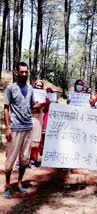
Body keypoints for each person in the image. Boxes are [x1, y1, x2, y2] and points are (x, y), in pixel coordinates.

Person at [3, 62, 45, 198]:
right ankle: (8, 185)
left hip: (28, 127)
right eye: (22, 72)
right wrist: (8, 128)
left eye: (26, 72)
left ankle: (20, 183)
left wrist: (45, 103)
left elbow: (33, 106)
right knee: (10, 159)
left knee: (25, 159)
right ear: (16, 73)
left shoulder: (31, 89)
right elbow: (6, 109)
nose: (25, 74)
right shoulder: (10, 88)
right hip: (15, 128)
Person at [29, 80, 46, 168]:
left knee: (36, 142)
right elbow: (29, 108)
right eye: (37, 85)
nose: (38, 87)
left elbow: (44, 109)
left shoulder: (44, 96)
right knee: (26, 141)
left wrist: (46, 102)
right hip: (29, 119)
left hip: (39, 120)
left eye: (40, 86)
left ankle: (33, 160)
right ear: (34, 85)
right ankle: (23, 160)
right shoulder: (29, 95)